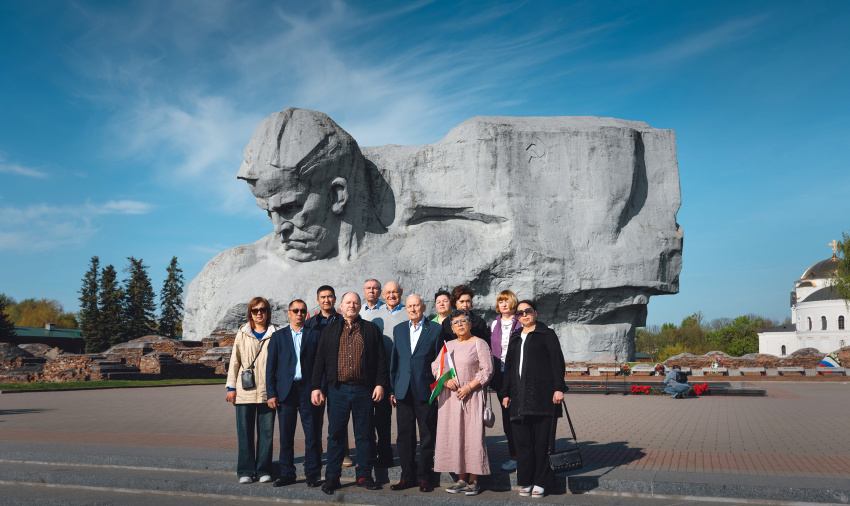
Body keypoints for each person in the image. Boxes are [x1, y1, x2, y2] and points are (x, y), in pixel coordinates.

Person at [311, 292, 389, 495]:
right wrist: (316, 387)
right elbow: (319, 360)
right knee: (335, 435)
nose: (352, 305)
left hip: (364, 390)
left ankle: (364, 475)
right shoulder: (329, 331)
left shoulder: (371, 330)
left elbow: (381, 359)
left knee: (364, 435)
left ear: (360, 306)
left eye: (355, 302)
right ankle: (332, 477)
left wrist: (380, 384)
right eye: (348, 302)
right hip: (338, 390)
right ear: (341, 306)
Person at [500, 300, 567, 498]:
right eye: (519, 313)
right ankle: (527, 480)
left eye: (528, 311)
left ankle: (541, 481)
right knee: (523, 443)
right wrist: (505, 393)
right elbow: (509, 368)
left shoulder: (547, 334)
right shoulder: (515, 338)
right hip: (518, 399)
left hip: (543, 396)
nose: (524, 315)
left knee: (542, 442)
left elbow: (557, 362)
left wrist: (559, 389)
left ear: (536, 313)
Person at [432, 309, 493, 496]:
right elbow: (436, 366)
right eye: (456, 322)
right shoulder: (448, 345)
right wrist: (445, 380)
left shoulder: (479, 343)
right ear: (451, 327)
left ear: (470, 323)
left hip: (471, 397)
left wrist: (470, 387)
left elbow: (487, 370)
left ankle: (474, 481)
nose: (459, 324)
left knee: (472, 438)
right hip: (450, 398)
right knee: (454, 436)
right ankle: (460, 479)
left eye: (463, 321)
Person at [389, 295, 446, 492]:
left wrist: (438, 389)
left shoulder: (436, 329)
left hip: (426, 390)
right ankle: (407, 477)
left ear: (423, 307)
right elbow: (395, 361)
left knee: (427, 435)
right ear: (406, 308)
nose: (413, 309)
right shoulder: (399, 329)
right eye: (409, 306)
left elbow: (441, 362)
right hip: (403, 390)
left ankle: (424, 477)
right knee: (405, 436)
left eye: (416, 305)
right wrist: (392, 389)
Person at [266, 299, 323, 488]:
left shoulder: (314, 335)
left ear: (306, 314)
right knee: (286, 435)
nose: (299, 313)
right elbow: (270, 367)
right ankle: (287, 473)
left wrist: (318, 388)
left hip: (308, 390)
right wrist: (271, 393)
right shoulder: (278, 336)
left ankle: (312, 474)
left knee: (312, 435)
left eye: (303, 311)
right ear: (288, 313)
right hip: (286, 392)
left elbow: (319, 365)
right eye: (295, 310)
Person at [225, 297, 279, 484]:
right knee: (245, 432)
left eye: (262, 309)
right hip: (244, 390)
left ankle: (264, 469)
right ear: (250, 313)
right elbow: (235, 361)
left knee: (266, 433)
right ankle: (245, 470)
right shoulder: (243, 332)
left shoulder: (276, 333)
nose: (259, 313)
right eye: (255, 310)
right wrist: (231, 387)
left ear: (267, 312)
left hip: (267, 390)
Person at [360, 280, 408, 468]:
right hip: (374, 373)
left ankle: (386, 454)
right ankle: (371, 453)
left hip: (397, 373)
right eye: (387, 293)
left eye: (394, 292)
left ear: (401, 292)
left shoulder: (407, 312)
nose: (391, 296)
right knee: (368, 418)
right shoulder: (372, 314)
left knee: (386, 419)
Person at [488, 290, 521, 472]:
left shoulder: (520, 322)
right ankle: (514, 457)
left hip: (518, 375)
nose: (504, 305)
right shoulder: (493, 324)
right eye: (501, 302)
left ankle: (525, 456)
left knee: (521, 417)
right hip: (501, 378)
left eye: (507, 301)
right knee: (508, 419)